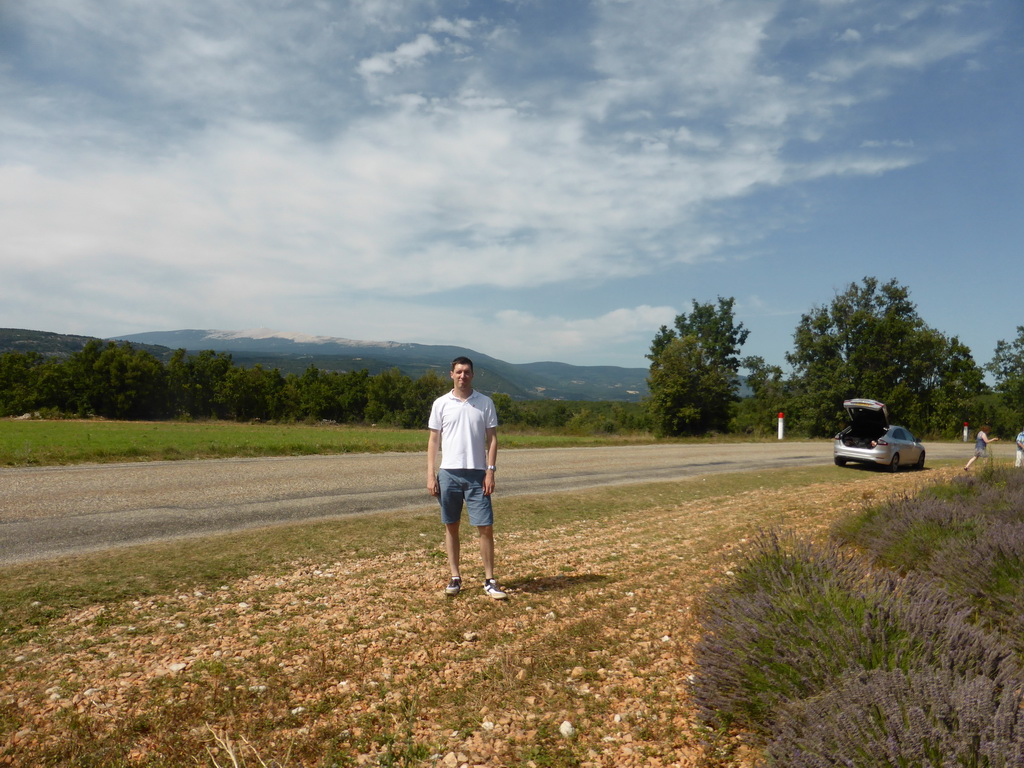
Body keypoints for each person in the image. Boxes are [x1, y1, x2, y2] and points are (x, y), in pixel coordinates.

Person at [427, 356, 507, 599]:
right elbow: (433, 440)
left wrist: (490, 470)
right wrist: (431, 474)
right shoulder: (441, 403)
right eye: (459, 372)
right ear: (451, 374)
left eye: (467, 372)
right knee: (451, 526)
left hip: (477, 475)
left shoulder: (484, 403)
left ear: (473, 375)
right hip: (448, 473)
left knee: (485, 527)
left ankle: (490, 580)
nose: (463, 376)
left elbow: (492, 438)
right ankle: (455, 576)